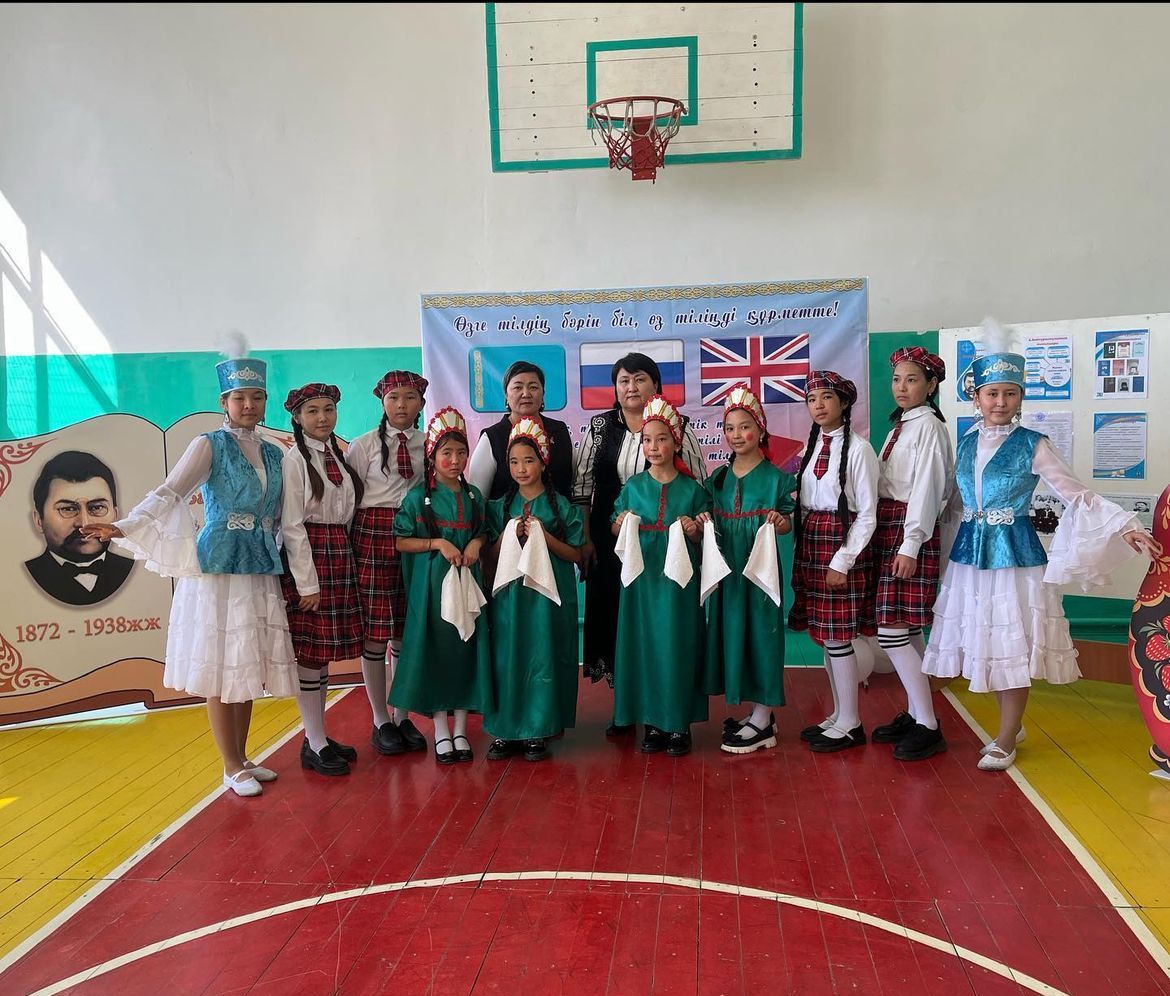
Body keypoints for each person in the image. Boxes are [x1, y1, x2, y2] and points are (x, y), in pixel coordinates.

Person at [923, 319, 1159, 770]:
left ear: (1021, 397)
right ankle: (1011, 725)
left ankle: (1006, 736)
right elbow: (953, 502)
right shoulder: (966, 442)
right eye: (992, 393)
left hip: (1014, 554)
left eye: (1010, 393)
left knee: (1013, 641)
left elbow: (1076, 492)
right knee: (985, 638)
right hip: (970, 555)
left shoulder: (1034, 444)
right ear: (976, 397)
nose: (1001, 402)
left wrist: (1125, 524)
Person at [82, 343, 296, 797]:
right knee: (221, 663)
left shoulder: (276, 453)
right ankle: (229, 765)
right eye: (239, 397)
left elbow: (283, 513)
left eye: (257, 396)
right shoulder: (208, 444)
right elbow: (169, 491)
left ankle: (243, 757)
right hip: (217, 562)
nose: (249, 404)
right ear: (224, 402)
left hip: (258, 560)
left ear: (265, 400)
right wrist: (124, 526)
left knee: (246, 661)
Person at [572, 352, 707, 731]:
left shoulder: (679, 426)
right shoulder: (600, 427)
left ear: (656, 384)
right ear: (615, 388)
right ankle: (629, 706)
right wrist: (586, 539)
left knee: (662, 622)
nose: (631, 387)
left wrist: (692, 527)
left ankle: (665, 708)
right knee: (618, 617)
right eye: (624, 380)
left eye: (640, 378)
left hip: (666, 546)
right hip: (613, 538)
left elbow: (698, 484)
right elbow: (582, 488)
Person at [389, 407, 492, 764]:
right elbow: (401, 540)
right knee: (435, 651)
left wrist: (476, 543)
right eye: (446, 453)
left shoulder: (474, 497)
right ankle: (440, 730)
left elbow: (484, 532)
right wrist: (437, 543)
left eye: (461, 452)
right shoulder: (418, 498)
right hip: (431, 589)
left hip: (468, 586)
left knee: (465, 649)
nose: (455, 460)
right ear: (432, 456)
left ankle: (460, 727)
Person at [610, 395, 710, 756]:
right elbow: (615, 526)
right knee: (644, 645)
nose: (653, 446)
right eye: (647, 439)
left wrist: (694, 529)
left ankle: (678, 722)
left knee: (676, 644)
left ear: (676, 442)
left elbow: (702, 535)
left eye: (662, 439)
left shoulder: (693, 490)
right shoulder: (633, 487)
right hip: (641, 581)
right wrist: (621, 523)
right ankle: (652, 721)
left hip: (677, 584)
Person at [699, 386, 796, 755]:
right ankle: (758, 713)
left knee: (762, 633)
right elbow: (706, 514)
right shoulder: (718, 478)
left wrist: (780, 522)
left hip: (759, 572)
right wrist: (704, 520)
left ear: (760, 429)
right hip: (728, 570)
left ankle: (764, 716)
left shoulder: (776, 478)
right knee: (734, 632)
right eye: (730, 428)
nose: (737, 435)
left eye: (744, 427)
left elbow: (785, 521)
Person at [870, 346, 955, 761]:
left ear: (931, 384)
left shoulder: (930, 428)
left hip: (909, 528)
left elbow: (927, 488)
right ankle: (917, 711)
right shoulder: (900, 426)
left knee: (891, 630)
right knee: (908, 629)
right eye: (896, 379)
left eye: (912, 380)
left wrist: (911, 543)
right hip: (890, 524)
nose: (901, 387)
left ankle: (929, 725)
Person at [788, 371, 880, 753]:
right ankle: (840, 713)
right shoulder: (813, 447)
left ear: (844, 403)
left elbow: (868, 513)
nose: (818, 405)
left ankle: (851, 722)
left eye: (826, 397)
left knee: (839, 636)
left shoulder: (859, 450)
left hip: (840, 544)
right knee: (827, 637)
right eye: (812, 399)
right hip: (813, 540)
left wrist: (842, 561)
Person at [484, 418, 584, 761]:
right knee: (507, 656)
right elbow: (489, 554)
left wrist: (544, 535)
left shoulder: (561, 507)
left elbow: (576, 553)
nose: (521, 469)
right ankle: (505, 729)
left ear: (543, 462)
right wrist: (509, 533)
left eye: (528, 460)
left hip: (547, 598)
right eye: (514, 462)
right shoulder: (499, 507)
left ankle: (538, 729)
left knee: (543, 655)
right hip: (510, 598)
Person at [280, 383, 366, 776]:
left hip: (338, 551)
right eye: (312, 411)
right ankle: (313, 742)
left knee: (323, 650)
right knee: (311, 652)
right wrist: (307, 583)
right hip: (312, 555)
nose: (322, 417)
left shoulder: (336, 454)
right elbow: (292, 524)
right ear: (297, 417)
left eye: (328, 409)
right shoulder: (295, 459)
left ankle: (318, 736)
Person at [346, 370, 429, 756]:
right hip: (372, 534)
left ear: (421, 403)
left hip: (412, 533)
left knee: (404, 631)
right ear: (382, 401)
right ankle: (380, 718)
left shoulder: (428, 445)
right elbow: (349, 501)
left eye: (410, 397)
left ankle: (402, 714)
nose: (401, 405)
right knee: (376, 631)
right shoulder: (362, 446)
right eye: (394, 397)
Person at [24, 451, 134, 606]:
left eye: (97, 507)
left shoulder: (132, 568)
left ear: (116, 515)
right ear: (38, 520)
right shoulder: (24, 574)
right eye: (68, 509)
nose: (84, 523)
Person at [467, 361, 574, 500]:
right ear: (506, 395)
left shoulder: (559, 431)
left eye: (533, 387)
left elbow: (575, 483)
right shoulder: (492, 438)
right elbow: (478, 498)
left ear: (543, 393)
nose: (526, 394)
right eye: (518, 387)